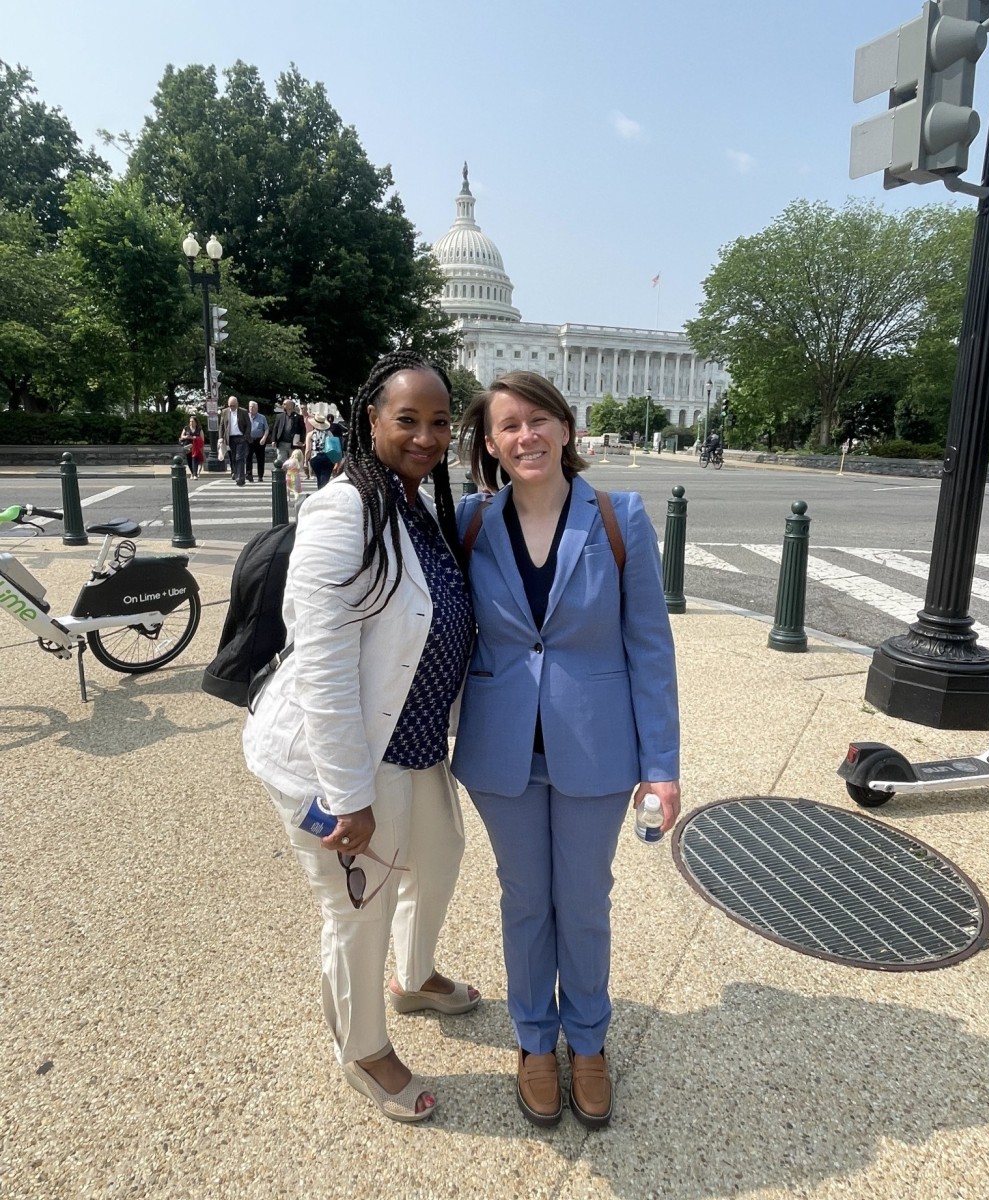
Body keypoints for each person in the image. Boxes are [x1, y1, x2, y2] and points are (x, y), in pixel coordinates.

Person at [243, 350, 479, 1124]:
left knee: (439, 858)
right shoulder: (346, 508)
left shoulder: (416, 504)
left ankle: (413, 979)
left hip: (413, 745)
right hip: (340, 759)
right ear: (369, 419)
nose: (425, 435)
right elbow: (322, 661)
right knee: (358, 906)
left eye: (439, 421)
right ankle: (364, 1051)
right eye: (406, 419)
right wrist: (347, 797)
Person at [454, 371, 680, 1131]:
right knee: (524, 899)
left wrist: (662, 767)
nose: (527, 436)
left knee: (583, 902)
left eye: (539, 419)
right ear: (490, 444)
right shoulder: (471, 523)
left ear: (566, 427)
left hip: (596, 747)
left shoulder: (619, 517)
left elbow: (650, 647)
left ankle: (588, 1040)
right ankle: (532, 1042)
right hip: (501, 750)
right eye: (509, 426)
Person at [219, 395, 252, 485]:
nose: (232, 407)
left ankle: (240, 478)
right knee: (233, 458)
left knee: (239, 458)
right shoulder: (224, 412)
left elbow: (248, 425)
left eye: (233, 405)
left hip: (241, 437)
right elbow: (222, 425)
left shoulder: (243, 412)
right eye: (230, 405)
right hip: (230, 438)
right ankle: (235, 473)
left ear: (237, 404)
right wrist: (221, 437)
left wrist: (245, 436)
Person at [272, 398, 306, 466]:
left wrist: (302, 441)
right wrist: (273, 440)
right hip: (282, 443)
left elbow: (303, 430)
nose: (282, 405)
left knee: (293, 463)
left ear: (290, 406)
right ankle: (282, 476)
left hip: (293, 444)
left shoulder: (299, 417)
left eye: (284, 404)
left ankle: (291, 476)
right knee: (281, 462)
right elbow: (275, 428)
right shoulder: (279, 416)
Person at [306, 413, 335, 489]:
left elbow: (308, 449)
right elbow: (333, 447)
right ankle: (322, 491)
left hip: (315, 458)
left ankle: (320, 491)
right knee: (325, 478)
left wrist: (305, 461)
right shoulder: (329, 433)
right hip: (327, 458)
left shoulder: (310, 434)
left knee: (319, 477)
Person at [247, 401, 270, 482]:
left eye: (253, 407)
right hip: (249, 440)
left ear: (257, 408)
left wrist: (264, 438)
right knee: (248, 458)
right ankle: (249, 475)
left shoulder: (262, 417)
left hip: (259, 440)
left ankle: (260, 476)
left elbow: (266, 429)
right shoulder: (246, 417)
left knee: (260, 459)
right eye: (250, 406)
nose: (251, 408)